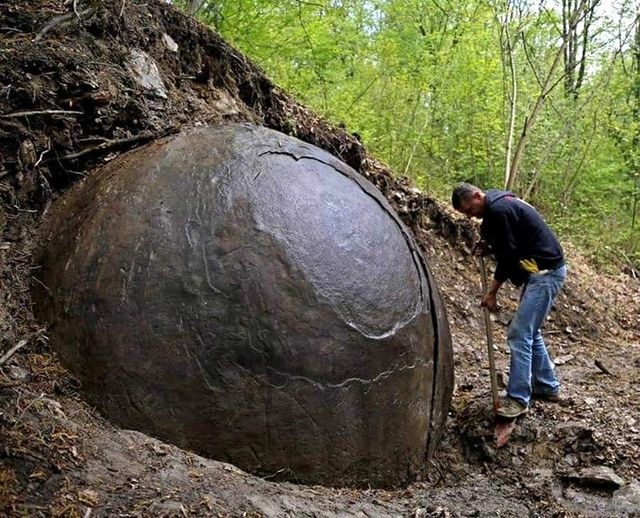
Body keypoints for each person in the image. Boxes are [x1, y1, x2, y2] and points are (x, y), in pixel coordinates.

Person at [451, 183, 567, 419]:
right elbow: (509, 243)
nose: (471, 216)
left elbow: (508, 256)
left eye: (469, 209)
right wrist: (490, 246)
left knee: (519, 332)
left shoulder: (499, 210)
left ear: (477, 195)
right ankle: (547, 386)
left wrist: (492, 292)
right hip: (542, 270)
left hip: (545, 273)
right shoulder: (501, 205)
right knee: (530, 332)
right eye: (465, 214)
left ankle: (518, 399)